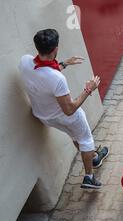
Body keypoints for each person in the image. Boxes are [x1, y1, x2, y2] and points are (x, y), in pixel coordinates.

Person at [19, 29, 109, 189]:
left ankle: (94, 157)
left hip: (44, 116)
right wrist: (89, 89)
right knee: (86, 139)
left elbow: (43, 76)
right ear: (55, 49)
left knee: (75, 135)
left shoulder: (25, 62)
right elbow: (70, 109)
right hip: (65, 116)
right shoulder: (57, 79)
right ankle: (89, 176)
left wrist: (64, 64)